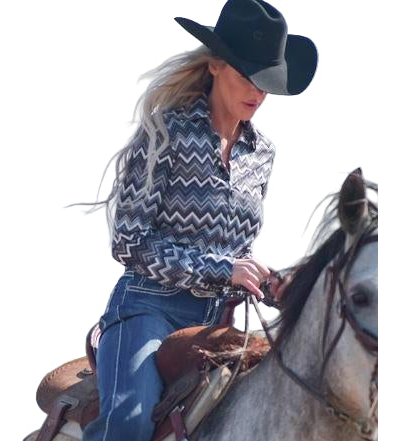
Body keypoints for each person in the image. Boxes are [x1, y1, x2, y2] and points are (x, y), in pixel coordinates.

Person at [82, 1, 317, 440]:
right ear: (215, 65)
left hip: (218, 324)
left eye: (266, 83)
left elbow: (236, 251)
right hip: (147, 310)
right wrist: (222, 269)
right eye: (247, 77)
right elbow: (129, 241)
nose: (258, 94)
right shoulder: (164, 132)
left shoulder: (262, 154)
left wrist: (270, 284)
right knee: (129, 423)